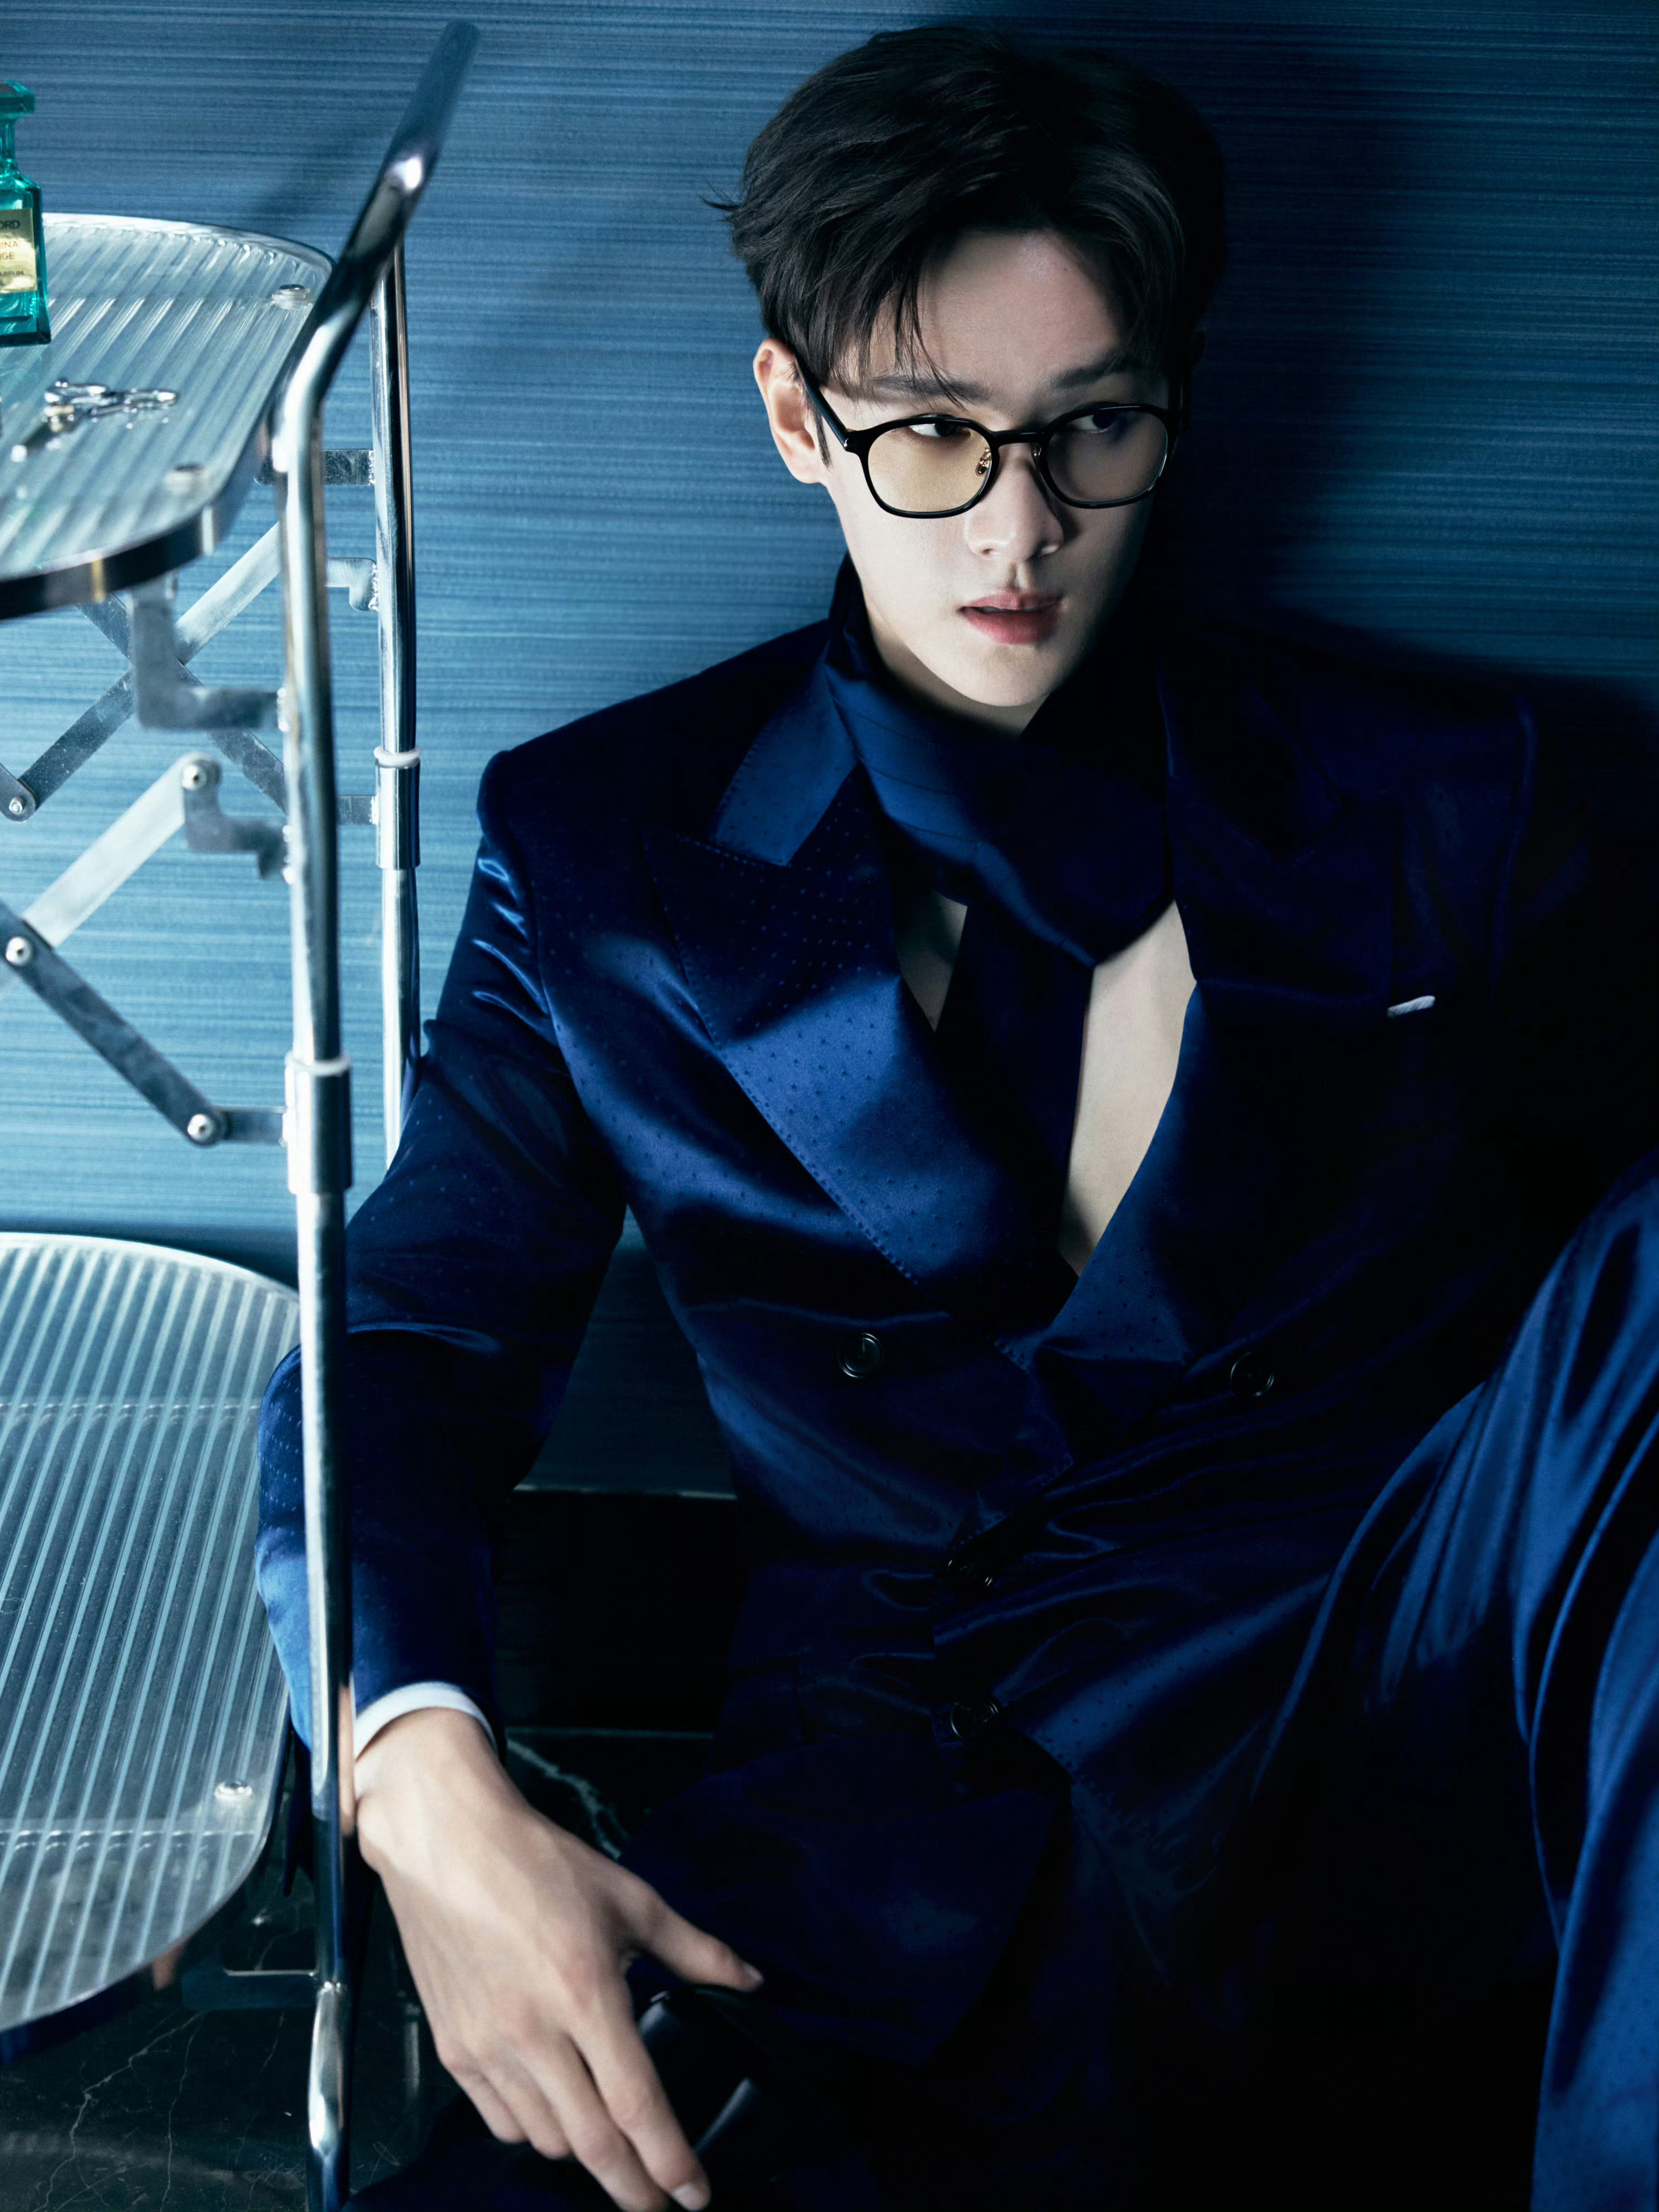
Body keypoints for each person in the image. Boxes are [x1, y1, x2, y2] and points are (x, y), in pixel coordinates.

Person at [257, 23, 1659, 2211]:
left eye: (1092, 425)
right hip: (883, 1845)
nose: (1020, 527)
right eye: (931, 431)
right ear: (795, 416)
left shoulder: (1458, 798)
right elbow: (410, 1333)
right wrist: (416, 1778)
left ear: (1171, 406)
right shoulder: (602, 847)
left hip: (1383, 1740)